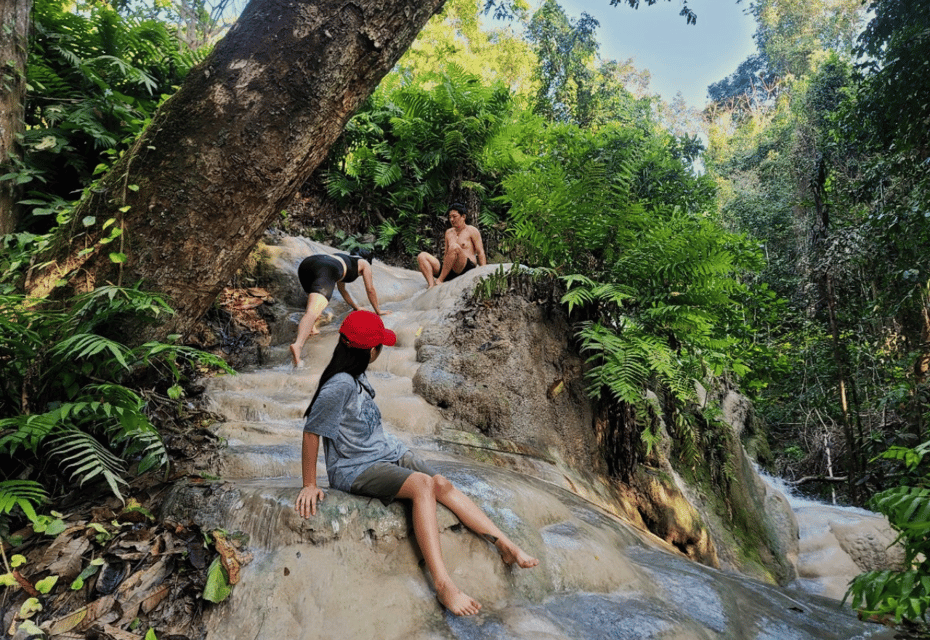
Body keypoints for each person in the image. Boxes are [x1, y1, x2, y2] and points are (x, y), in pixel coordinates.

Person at [294, 311, 538, 616]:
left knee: (442, 484)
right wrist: (309, 484)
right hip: (355, 468)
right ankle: (443, 584)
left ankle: (504, 544)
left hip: (386, 452)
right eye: (379, 345)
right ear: (369, 351)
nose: (380, 351)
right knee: (423, 485)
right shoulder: (339, 385)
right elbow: (311, 432)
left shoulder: (356, 373)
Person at [289, 249, 390, 368]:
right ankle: (298, 345)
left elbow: (343, 290)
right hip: (325, 269)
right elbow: (370, 289)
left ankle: (311, 327)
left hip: (308, 265)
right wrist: (378, 310)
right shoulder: (364, 263)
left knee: (314, 305)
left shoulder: (342, 260)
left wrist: (356, 307)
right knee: (312, 311)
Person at [417, 203, 486, 288]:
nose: (451, 219)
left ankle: (439, 280)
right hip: (449, 269)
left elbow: (480, 252)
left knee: (454, 247)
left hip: (465, 267)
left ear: (463, 217)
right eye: (450, 217)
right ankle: (431, 285)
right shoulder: (448, 232)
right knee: (422, 256)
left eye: (454, 216)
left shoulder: (472, 231)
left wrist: (484, 272)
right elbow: (446, 253)